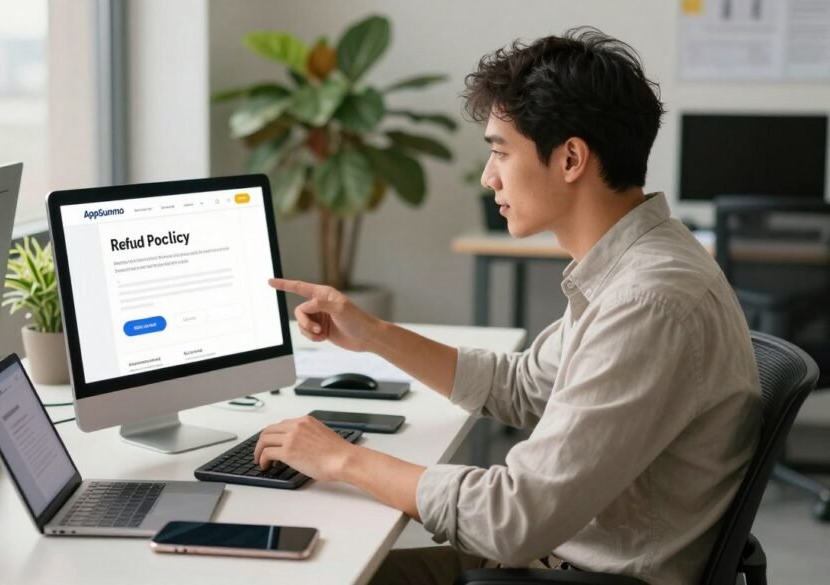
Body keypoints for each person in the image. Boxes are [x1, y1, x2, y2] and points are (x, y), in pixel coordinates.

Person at [254, 27, 761, 585]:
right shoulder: (634, 262)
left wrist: (342, 460)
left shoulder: (647, 301)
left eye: (500, 150)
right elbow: (523, 387)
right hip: (559, 558)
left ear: (570, 158)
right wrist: (371, 333)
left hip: (573, 572)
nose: (487, 176)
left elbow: (512, 518)